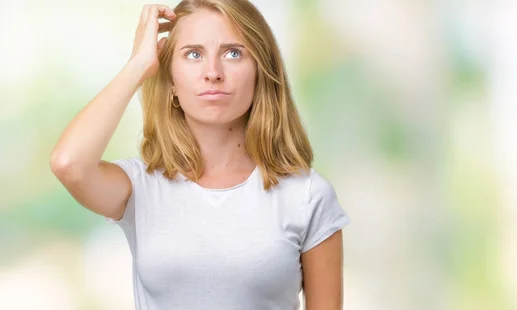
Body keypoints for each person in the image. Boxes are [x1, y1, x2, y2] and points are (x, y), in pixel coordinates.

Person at [50, 1, 350, 309]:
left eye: (233, 53)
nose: (213, 73)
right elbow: (69, 164)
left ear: (261, 72)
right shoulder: (141, 186)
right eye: (193, 54)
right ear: (172, 83)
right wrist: (138, 65)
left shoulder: (308, 196)